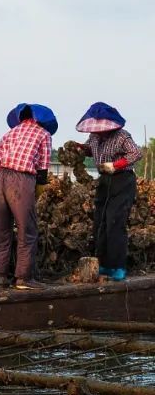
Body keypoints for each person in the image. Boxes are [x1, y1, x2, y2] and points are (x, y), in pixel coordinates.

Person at [0, 103, 56, 289]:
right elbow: (42, 169)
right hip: (21, 179)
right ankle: (23, 278)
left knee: (0, 229)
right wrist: (38, 189)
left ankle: (1, 277)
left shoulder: (10, 133)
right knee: (27, 229)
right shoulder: (44, 135)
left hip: (0, 177)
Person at [75, 102, 142, 280]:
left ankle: (118, 266)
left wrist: (116, 165)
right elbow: (90, 150)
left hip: (122, 181)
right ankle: (103, 264)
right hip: (104, 182)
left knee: (115, 222)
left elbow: (136, 153)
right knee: (100, 222)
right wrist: (80, 149)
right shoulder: (95, 136)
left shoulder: (122, 136)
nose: (99, 130)